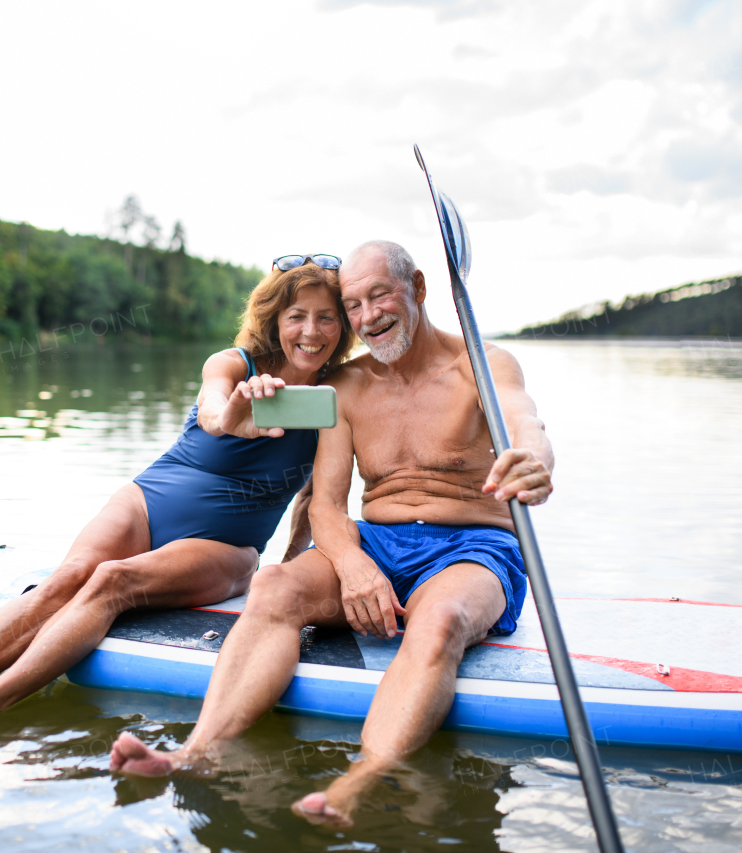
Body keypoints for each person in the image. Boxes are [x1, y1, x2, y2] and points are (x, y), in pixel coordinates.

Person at [110, 240, 555, 828]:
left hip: (474, 546)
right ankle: (196, 752)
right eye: (353, 305)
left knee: (441, 620)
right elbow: (325, 504)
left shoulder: (482, 365)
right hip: (377, 539)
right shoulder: (342, 387)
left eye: (381, 296)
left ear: (418, 288)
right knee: (272, 587)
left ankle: (363, 778)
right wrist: (351, 563)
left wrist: (534, 460)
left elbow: (526, 420)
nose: (368, 316)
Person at [0, 254, 356, 737]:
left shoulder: (338, 400)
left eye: (325, 317)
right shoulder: (234, 365)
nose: (310, 331)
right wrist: (234, 417)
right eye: (297, 316)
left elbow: (316, 499)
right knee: (66, 580)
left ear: (342, 326)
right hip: (149, 500)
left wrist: (292, 568)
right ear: (275, 319)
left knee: (112, 580)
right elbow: (212, 412)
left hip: (225, 547)